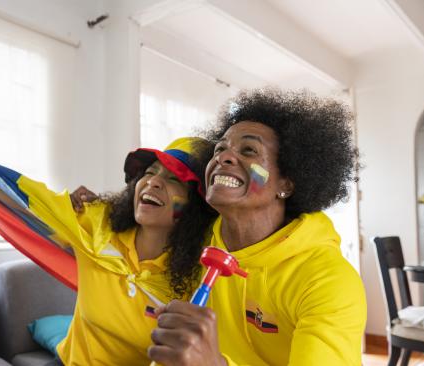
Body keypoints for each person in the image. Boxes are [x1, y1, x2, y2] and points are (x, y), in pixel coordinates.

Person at [0, 116, 218, 365]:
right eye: (151, 171)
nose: (153, 182)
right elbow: (13, 193)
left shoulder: (203, 279)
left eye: (174, 179)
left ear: (196, 207)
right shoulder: (95, 221)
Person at [146, 89, 367, 365]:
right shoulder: (194, 241)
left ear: (286, 183)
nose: (223, 157)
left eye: (249, 150)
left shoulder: (328, 281)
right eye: (220, 148)